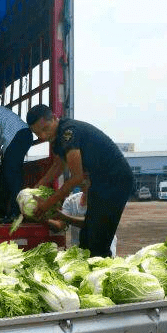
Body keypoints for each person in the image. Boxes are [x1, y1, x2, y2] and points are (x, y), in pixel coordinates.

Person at [25, 104, 133, 258]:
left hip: (115, 180)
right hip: (100, 182)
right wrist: (34, 189)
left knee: (98, 239)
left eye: (46, 128)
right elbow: (57, 166)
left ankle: (104, 272)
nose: (43, 136)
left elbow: (77, 177)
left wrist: (47, 204)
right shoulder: (57, 139)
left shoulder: (68, 133)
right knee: (87, 236)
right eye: (38, 133)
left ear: (55, 118)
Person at [47, 181, 118, 256]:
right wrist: (44, 219)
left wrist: (64, 217)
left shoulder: (105, 200)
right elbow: (60, 225)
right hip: (79, 250)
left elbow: (93, 222)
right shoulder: (71, 201)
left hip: (103, 250)